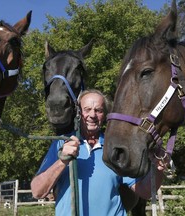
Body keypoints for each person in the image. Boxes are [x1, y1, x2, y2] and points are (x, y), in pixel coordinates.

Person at [31, 89, 167, 216]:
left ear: (105, 115)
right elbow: (37, 191)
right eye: (87, 109)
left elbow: (145, 191)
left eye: (98, 110)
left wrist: (158, 168)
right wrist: (62, 161)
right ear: (78, 113)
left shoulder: (115, 146)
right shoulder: (61, 144)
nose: (92, 115)